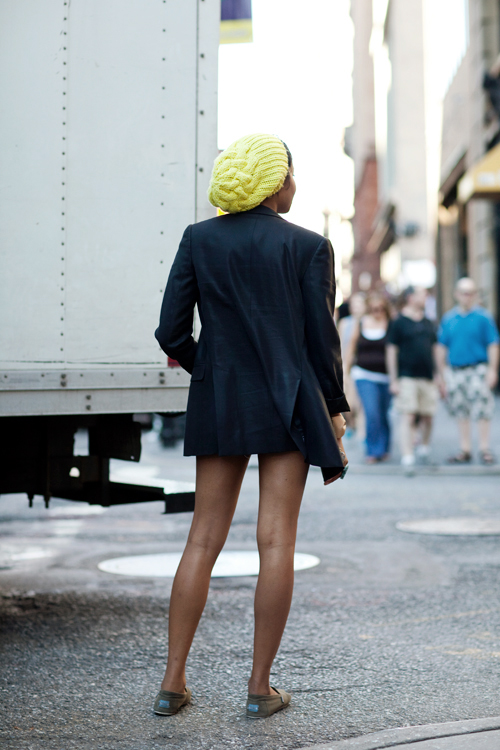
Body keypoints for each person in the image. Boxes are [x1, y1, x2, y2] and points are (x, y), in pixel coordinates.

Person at [154, 134, 349, 719]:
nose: (295, 184)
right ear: (274, 182)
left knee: (202, 539)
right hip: (289, 402)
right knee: (277, 541)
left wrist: (210, 369)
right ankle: (259, 690)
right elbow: (322, 341)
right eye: (291, 174)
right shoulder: (310, 246)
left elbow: (170, 332)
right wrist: (334, 408)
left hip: (221, 400)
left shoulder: (199, 239)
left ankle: (172, 684)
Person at [436, 277, 499, 464]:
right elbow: (441, 347)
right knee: (460, 410)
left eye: (471, 293)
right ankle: (465, 448)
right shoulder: (449, 318)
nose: (467, 296)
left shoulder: (484, 317)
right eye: (464, 293)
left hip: (478, 369)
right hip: (456, 370)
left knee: (483, 409)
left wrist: (493, 370)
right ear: (457, 294)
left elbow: (493, 344)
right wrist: (442, 373)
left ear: (475, 295)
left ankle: (484, 448)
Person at [386, 286, 438, 476]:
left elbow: (435, 349)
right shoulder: (398, 322)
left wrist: (439, 375)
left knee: (428, 416)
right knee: (408, 415)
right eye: (422, 295)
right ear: (410, 297)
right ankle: (407, 457)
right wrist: (393, 379)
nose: (426, 298)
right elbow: (391, 351)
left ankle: (424, 448)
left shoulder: (428, 322)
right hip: (406, 376)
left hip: (427, 376)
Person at [345, 292, 392, 463]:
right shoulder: (361, 323)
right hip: (364, 375)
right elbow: (351, 347)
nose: (376, 312)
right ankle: (373, 450)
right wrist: (346, 370)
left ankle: (384, 447)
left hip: (386, 377)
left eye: (380, 309)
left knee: (383, 413)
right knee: (372, 412)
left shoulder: (390, 324)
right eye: (373, 309)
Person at [338, 293, 366, 436]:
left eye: (359, 304)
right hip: (347, 366)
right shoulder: (345, 323)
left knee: (361, 402)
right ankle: (352, 424)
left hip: (361, 366)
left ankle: (361, 432)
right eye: (354, 304)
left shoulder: (367, 322)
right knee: (349, 401)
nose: (356, 307)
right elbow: (340, 345)